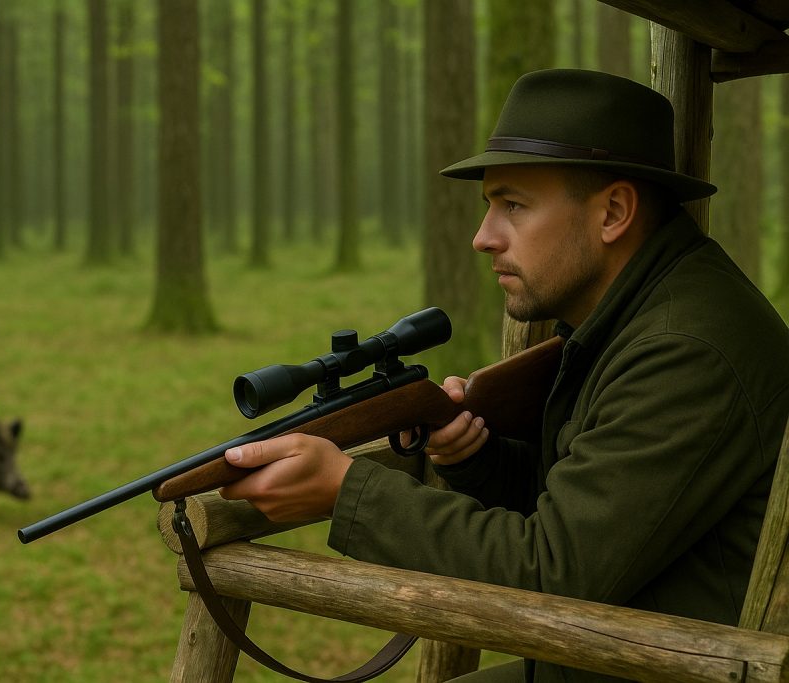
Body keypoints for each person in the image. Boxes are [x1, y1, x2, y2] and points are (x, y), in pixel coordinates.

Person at [218, 69, 789, 682]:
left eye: (513, 205)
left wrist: (346, 490)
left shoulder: (683, 351)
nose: (482, 238)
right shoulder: (639, 312)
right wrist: (477, 461)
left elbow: (553, 574)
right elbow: (589, 510)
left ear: (614, 211)